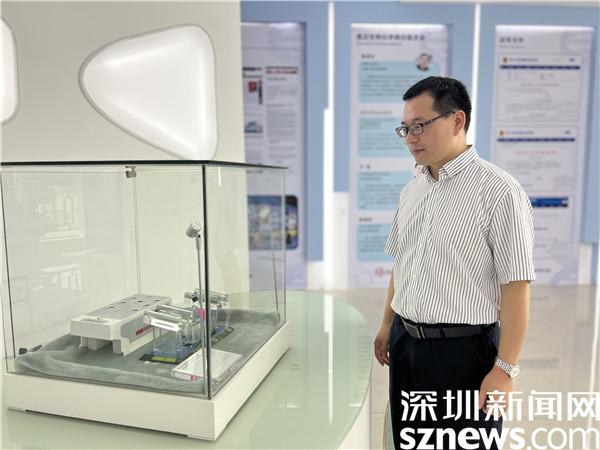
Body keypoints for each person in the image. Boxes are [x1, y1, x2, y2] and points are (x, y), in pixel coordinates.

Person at [374, 76, 535, 450]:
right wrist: (386, 324)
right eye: (405, 129)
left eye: (419, 126)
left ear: (457, 120)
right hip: (405, 344)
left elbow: (516, 287)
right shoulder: (412, 190)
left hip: (464, 355)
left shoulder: (499, 192)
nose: (410, 138)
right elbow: (403, 264)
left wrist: (505, 369)